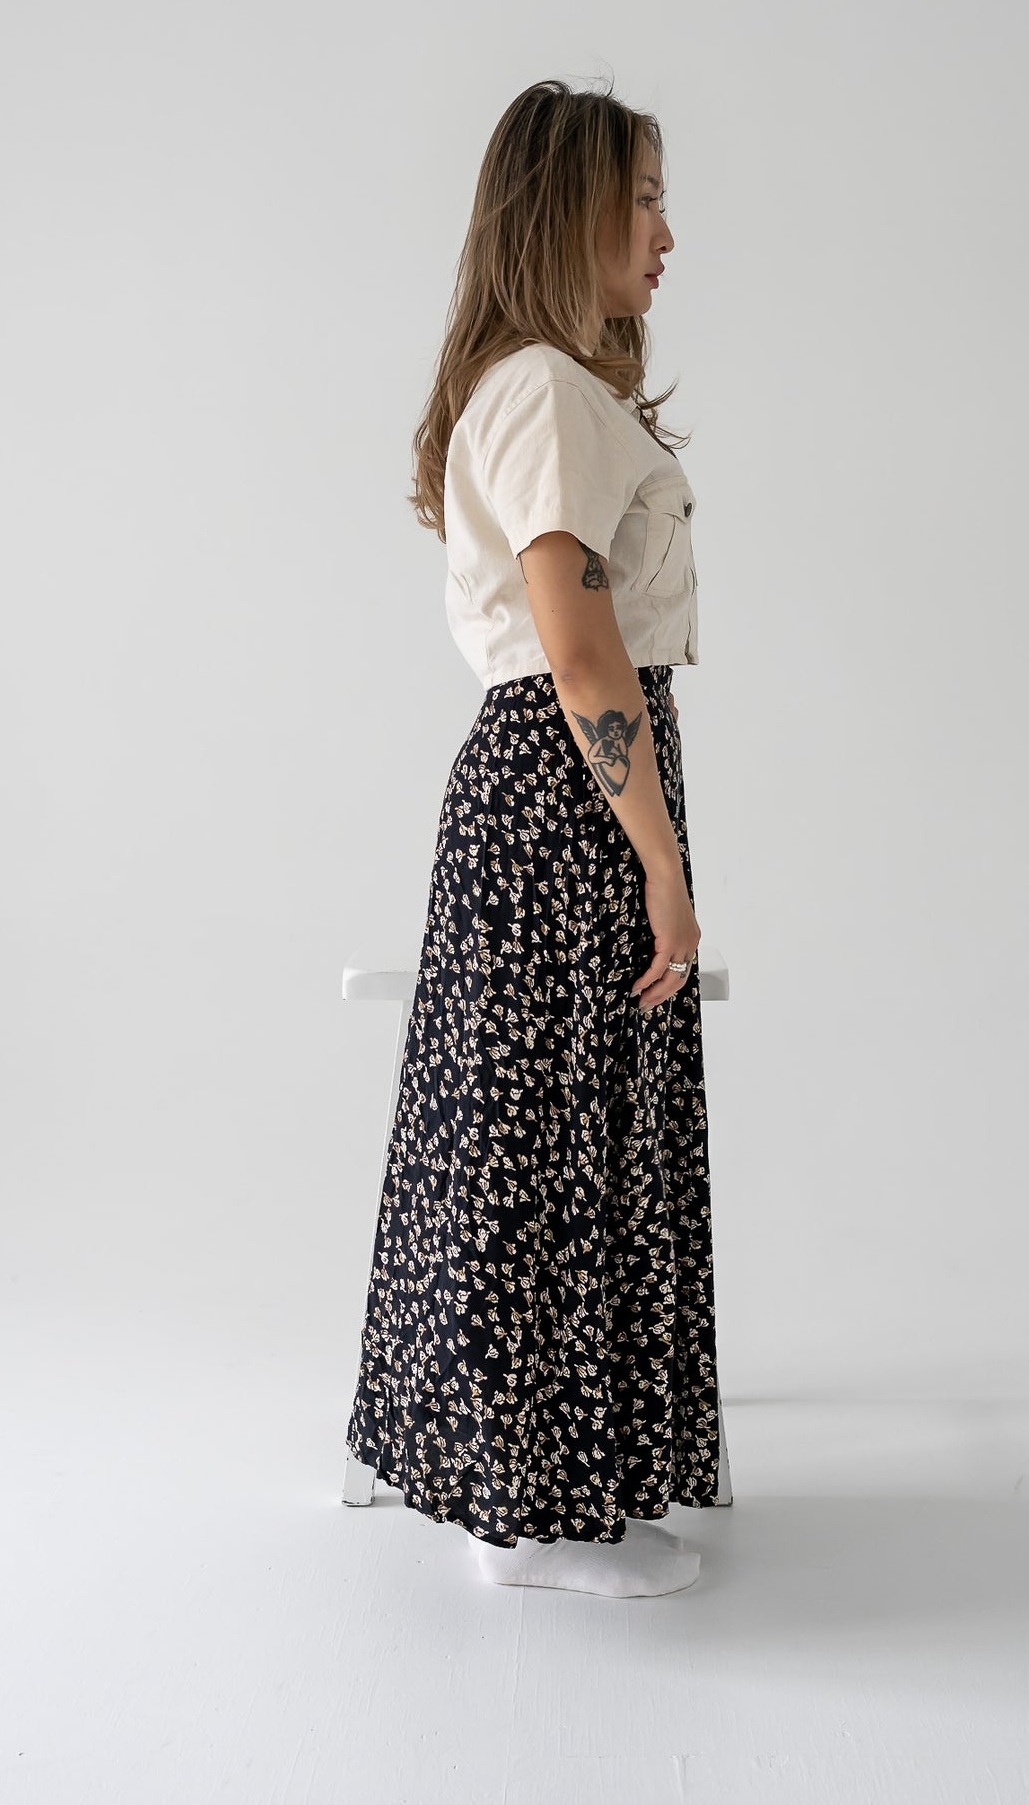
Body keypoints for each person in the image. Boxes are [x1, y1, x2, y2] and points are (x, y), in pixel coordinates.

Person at [345, 77, 721, 1597]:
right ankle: (536, 1524)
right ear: (566, 208)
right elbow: (579, 649)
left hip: (561, 788)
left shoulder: (534, 389)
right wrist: (660, 859)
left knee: (549, 1130)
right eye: (640, 199)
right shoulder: (544, 395)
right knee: (547, 1139)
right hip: (567, 792)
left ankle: (557, 1478)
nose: (665, 236)